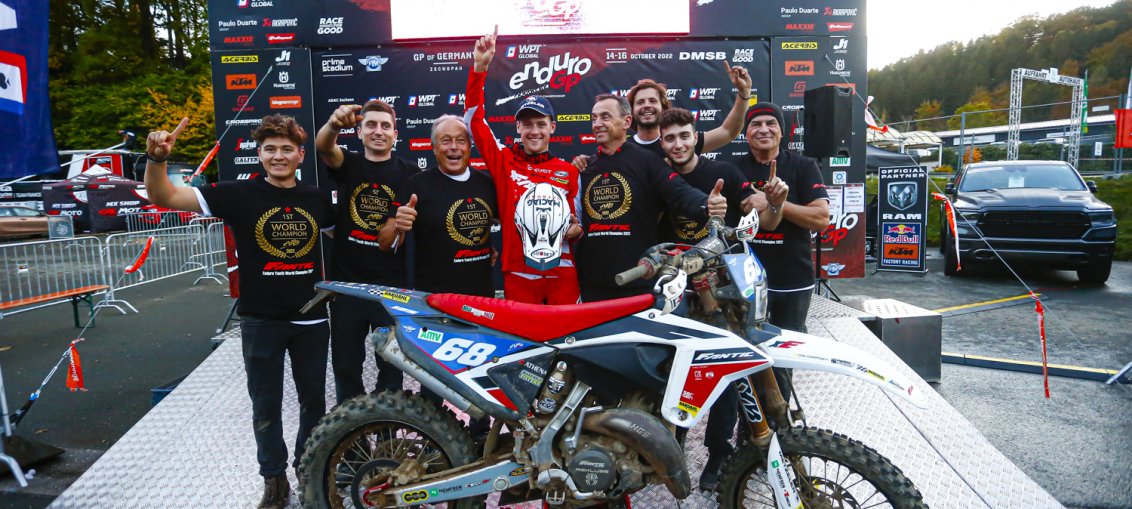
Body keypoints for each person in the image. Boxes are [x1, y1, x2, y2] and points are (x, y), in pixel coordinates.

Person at [144, 115, 334, 509]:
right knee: (265, 406)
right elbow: (164, 196)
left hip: (311, 318)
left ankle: (309, 469)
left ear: (300, 155)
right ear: (259, 154)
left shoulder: (316, 199)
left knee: (314, 402)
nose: (278, 156)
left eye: (286, 149)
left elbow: (356, 239)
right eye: (270, 149)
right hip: (261, 319)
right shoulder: (238, 194)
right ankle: (274, 480)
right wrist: (157, 160)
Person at [656, 107, 787, 491]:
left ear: (695, 136)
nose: (678, 144)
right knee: (673, 371)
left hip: (725, 291)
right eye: (669, 138)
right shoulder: (657, 176)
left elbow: (761, 214)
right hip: (678, 288)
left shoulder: (724, 172)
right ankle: (672, 448)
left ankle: (718, 454)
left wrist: (771, 203)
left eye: (684, 135)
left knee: (730, 372)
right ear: (661, 143)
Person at [464, 25, 582, 304]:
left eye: (541, 124)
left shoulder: (569, 171)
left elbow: (579, 225)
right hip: (519, 272)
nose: (534, 131)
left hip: (562, 271)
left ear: (552, 127)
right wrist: (479, 69)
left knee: (567, 332)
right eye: (527, 124)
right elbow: (474, 121)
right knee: (522, 334)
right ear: (518, 127)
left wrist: (575, 231)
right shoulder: (504, 160)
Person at [315, 99, 418, 405]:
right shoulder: (350, 165)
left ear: (395, 134)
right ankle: (352, 431)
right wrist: (334, 124)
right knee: (346, 368)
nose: (378, 131)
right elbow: (324, 147)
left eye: (385, 126)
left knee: (392, 369)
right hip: (348, 288)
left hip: (391, 290)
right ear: (359, 132)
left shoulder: (410, 173)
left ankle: (386, 430)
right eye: (371, 125)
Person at [575, 94, 727, 302]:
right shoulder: (586, 167)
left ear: (626, 122)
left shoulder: (646, 161)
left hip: (638, 282)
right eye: (594, 118)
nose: (597, 124)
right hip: (592, 284)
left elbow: (680, 192)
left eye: (605, 117)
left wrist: (707, 204)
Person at [734, 102, 829, 332]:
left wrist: (777, 204)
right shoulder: (733, 170)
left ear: (781, 131)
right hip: (745, 280)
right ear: (746, 133)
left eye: (771, 123)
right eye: (755, 124)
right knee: (747, 345)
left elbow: (821, 219)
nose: (763, 129)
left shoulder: (804, 166)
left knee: (789, 346)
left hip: (792, 280)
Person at [572, 64, 753, 168]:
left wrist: (744, 92)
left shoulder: (680, 142)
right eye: (640, 102)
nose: (647, 105)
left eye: (653, 101)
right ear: (631, 113)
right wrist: (583, 162)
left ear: (663, 107)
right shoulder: (622, 149)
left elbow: (728, 132)